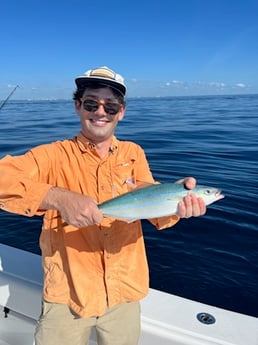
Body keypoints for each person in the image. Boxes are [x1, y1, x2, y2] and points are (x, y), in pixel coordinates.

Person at [0, 66, 206, 345]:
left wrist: (176, 206)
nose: (100, 112)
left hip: (125, 294)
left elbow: (152, 207)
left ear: (121, 112)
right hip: (69, 296)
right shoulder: (51, 155)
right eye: (91, 103)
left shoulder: (134, 153)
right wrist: (58, 198)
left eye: (110, 106)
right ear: (77, 107)